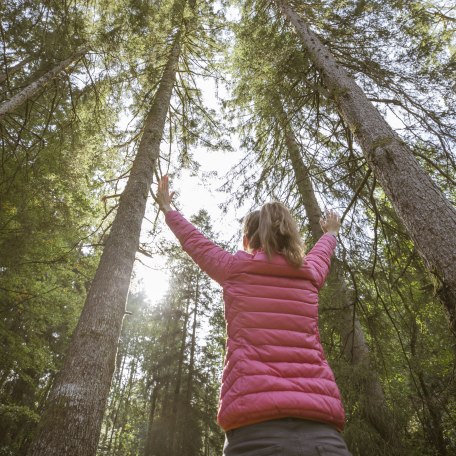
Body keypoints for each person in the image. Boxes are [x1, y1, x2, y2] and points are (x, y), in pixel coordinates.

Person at [156, 175, 352, 456]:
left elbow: (195, 242)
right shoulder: (309, 273)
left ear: (247, 240)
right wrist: (331, 231)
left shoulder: (235, 269)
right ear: (287, 235)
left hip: (254, 434)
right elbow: (324, 248)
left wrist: (168, 209)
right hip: (322, 435)